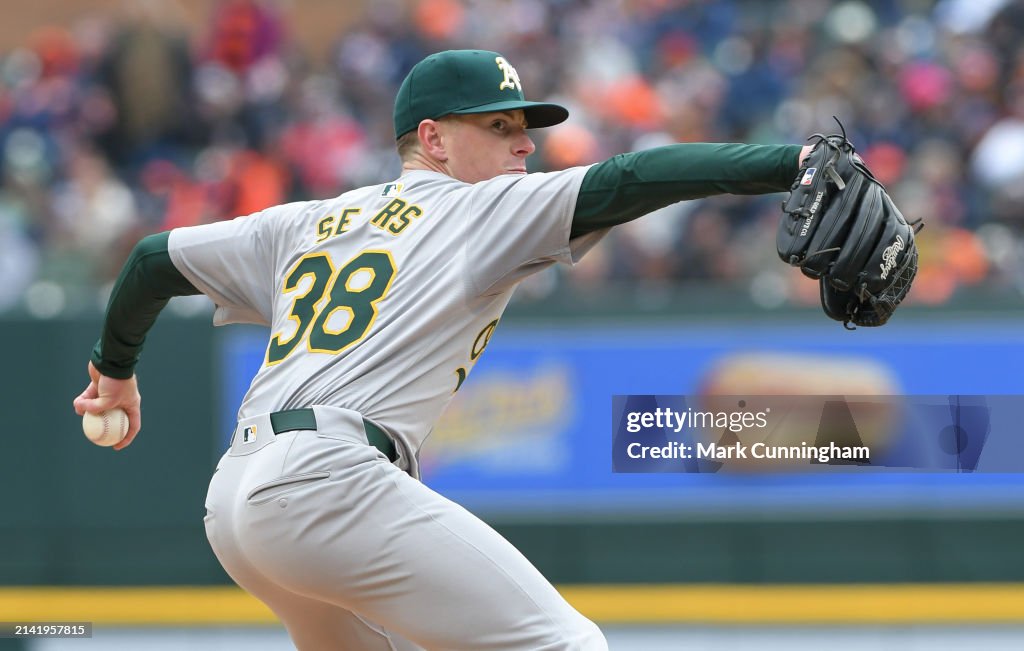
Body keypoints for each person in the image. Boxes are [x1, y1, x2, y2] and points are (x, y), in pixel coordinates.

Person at [74, 49, 811, 650]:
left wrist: (115, 371)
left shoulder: (308, 221)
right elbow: (629, 178)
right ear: (433, 139)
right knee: (566, 645)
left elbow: (149, 261)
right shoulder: (476, 206)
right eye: (498, 126)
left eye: (524, 126)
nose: (524, 143)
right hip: (327, 483)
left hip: (235, 502)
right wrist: (792, 163)